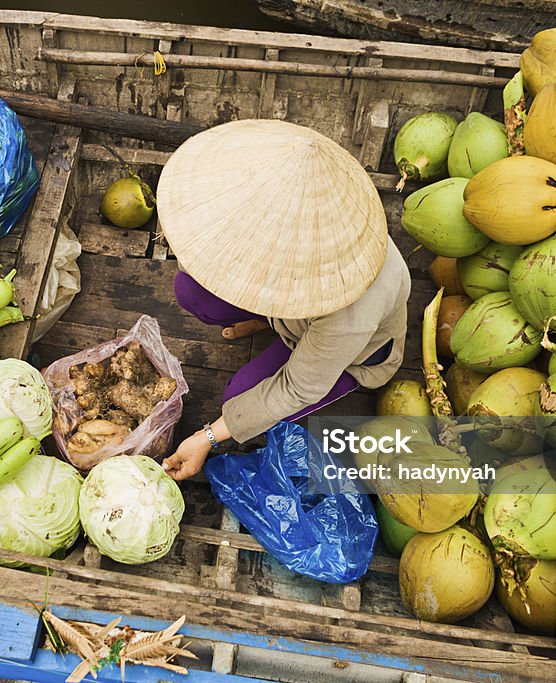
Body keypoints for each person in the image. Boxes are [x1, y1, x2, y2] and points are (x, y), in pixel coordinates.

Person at [155, 119, 411, 481]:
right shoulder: (272, 181)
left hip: (351, 354)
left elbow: (297, 387)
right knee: (192, 290)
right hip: (291, 314)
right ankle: (269, 323)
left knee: (240, 399)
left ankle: (287, 340)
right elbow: (203, 251)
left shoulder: (352, 306)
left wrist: (205, 437)